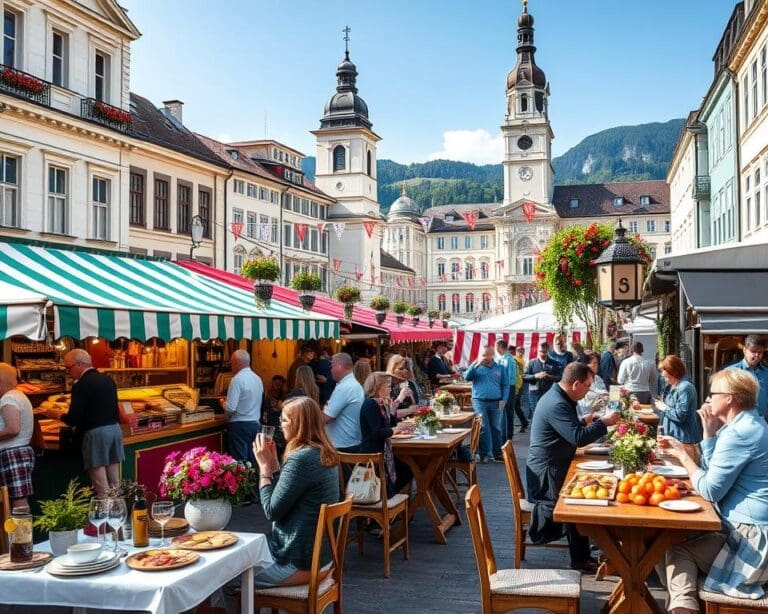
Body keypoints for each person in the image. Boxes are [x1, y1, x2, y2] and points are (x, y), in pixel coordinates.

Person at [658, 369, 768, 613]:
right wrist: (709, 432)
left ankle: (682, 608)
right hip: (744, 528)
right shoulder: (750, 423)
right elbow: (712, 473)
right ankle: (682, 603)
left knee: (676, 548)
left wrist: (683, 457)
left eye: (712, 394)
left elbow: (709, 490)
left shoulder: (739, 433)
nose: (707, 400)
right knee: (667, 541)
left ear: (729, 398)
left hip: (753, 541)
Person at [525, 362, 621, 572]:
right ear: (576, 384)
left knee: (589, 489)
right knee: (580, 502)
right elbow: (577, 438)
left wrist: (586, 419)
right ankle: (583, 558)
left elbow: (569, 426)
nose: (588, 390)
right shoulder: (557, 403)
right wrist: (603, 423)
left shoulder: (558, 397)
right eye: (587, 386)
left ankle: (590, 552)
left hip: (555, 465)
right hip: (547, 474)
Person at [252, 397, 340, 588]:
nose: (280, 424)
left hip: (297, 563)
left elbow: (271, 511)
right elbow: (288, 497)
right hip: (322, 559)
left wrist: (264, 469)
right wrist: (275, 467)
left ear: (299, 424)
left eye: (284, 420)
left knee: (224, 578)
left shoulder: (301, 459)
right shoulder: (324, 452)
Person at [62, 349, 124, 497]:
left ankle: (105, 519)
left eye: (68, 368)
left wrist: (58, 415)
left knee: (101, 485)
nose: (68, 372)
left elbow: (74, 418)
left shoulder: (80, 385)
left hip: (96, 434)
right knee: (115, 482)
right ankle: (119, 515)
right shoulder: (108, 379)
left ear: (78, 364)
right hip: (115, 430)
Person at [359, 372, 413, 498]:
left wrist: (392, 411)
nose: (391, 389)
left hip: (384, 451)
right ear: (378, 388)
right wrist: (397, 429)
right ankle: (388, 501)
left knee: (408, 470)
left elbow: (390, 424)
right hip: (373, 453)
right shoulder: (370, 404)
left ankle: (391, 498)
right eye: (388, 386)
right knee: (405, 471)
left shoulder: (382, 403)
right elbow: (376, 433)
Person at [220, 350, 264, 471]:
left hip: (239, 425)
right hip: (255, 423)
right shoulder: (257, 378)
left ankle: (243, 488)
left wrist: (223, 405)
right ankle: (254, 488)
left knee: (240, 463)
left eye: (232, 363)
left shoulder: (237, 380)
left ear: (237, 363)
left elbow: (231, 408)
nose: (231, 365)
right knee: (253, 460)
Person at [465, 345, 509, 463]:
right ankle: (486, 454)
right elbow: (467, 377)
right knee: (484, 427)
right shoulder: (476, 367)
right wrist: (475, 363)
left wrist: (504, 399)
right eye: (483, 355)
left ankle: (497, 452)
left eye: (487, 355)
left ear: (492, 355)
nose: (485, 358)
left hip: (496, 401)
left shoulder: (500, 368)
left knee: (496, 427)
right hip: (479, 401)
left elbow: (505, 385)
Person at [0, 363, 35, 510]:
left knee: (18, 500)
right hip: (18, 452)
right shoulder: (18, 395)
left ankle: (21, 533)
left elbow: (13, 429)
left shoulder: (9, 399)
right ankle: (19, 532)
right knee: (17, 498)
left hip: (12, 453)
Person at [657, 355, 702, 452]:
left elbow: (681, 415)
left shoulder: (685, 387)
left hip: (683, 440)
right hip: (675, 438)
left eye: (666, 376)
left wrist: (664, 408)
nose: (665, 379)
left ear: (673, 372)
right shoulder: (674, 386)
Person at [322, 353, 364, 453]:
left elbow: (326, 418)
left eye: (332, 366)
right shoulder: (352, 384)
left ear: (339, 366)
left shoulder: (345, 387)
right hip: (349, 442)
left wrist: (312, 411)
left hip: (342, 446)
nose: (330, 370)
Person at [726, 334, 768, 419]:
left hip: (763, 424)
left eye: (760, 352)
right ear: (745, 350)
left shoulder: (766, 373)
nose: (757, 355)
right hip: (739, 424)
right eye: (753, 351)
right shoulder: (731, 372)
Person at [522, 341, 561, 419]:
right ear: (537, 350)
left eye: (544, 352)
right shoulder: (532, 363)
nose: (542, 353)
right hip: (534, 394)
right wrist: (535, 376)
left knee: (550, 415)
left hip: (550, 393)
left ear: (548, 351)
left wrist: (549, 376)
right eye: (540, 351)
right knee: (536, 415)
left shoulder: (555, 363)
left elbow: (560, 378)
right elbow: (524, 377)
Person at [495, 339, 519, 439]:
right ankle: (502, 433)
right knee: (501, 411)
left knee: (508, 411)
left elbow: (512, 377)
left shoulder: (510, 360)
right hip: (500, 387)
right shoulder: (498, 359)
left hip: (509, 387)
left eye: (496, 347)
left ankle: (509, 434)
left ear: (499, 347)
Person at [575, 351, 608, 420]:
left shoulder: (598, 378)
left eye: (597, 363)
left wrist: (602, 400)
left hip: (599, 415)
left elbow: (604, 396)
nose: (597, 365)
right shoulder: (581, 381)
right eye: (594, 363)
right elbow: (582, 404)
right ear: (586, 365)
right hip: (585, 418)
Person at [513, 346, 529, 433]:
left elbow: (525, 372)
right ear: (516, 351)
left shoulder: (524, 361)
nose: (520, 352)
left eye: (522, 351)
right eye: (519, 351)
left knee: (515, 406)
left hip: (519, 384)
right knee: (516, 406)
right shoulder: (514, 359)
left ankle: (524, 423)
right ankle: (524, 423)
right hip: (517, 383)